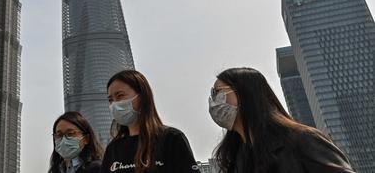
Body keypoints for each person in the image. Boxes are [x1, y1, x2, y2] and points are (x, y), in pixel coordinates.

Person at [209, 67, 355, 173]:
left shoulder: (302, 140)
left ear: (245, 94)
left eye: (218, 92)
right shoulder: (236, 158)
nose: (213, 101)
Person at [101, 70, 198, 173]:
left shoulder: (171, 139)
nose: (115, 104)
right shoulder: (113, 149)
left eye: (120, 96)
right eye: (110, 100)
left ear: (142, 97)